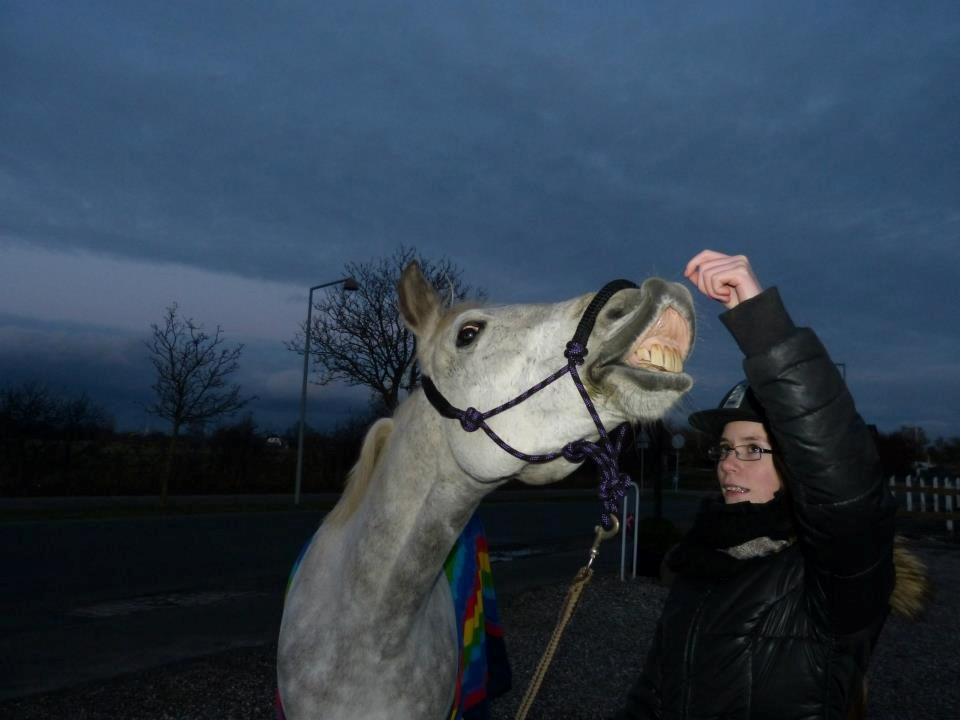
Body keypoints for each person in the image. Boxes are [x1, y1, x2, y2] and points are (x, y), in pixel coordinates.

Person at [614, 250, 901, 720]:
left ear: (795, 463)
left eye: (752, 449)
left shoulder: (830, 577)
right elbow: (652, 696)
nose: (729, 465)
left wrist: (763, 326)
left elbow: (845, 493)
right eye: (725, 449)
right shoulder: (698, 566)